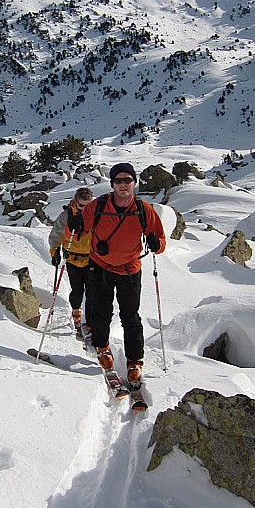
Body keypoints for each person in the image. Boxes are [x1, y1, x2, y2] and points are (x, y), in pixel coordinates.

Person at [66, 162, 166, 387]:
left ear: (134, 183)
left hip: (130, 269)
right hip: (99, 266)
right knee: (101, 313)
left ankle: (134, 361)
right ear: (112, 184)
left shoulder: (144, 210)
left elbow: (160, 241)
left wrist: (154, 243)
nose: (123, 185)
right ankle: (102, 347)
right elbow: (77, 229)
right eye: (118, 181)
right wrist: (73, 223)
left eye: (127, 180)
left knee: (130, 316)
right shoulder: (98, 206)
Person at [49, 187, 94, 341]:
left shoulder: (96, 215)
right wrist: (55, 252)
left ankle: (89, 324)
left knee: (92, 292)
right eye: (82, 206)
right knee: (77, 291)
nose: (84, 209)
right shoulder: (66, 215)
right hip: (73, 258)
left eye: (88, 206)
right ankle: (76, 313)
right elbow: (56, 235)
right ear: (75, 202)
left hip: (91, 259)